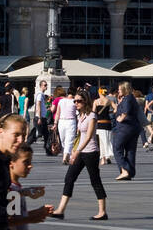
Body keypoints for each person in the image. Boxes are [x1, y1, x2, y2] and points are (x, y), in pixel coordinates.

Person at [46, 93, 108, 222]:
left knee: (95, 181)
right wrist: (73, 151)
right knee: (69, 178)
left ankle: (102, 212)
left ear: (85, 101)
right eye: (75, 101)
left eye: (78, 101)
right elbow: (79, 137)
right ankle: (60, 210)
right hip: (80, 152)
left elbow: (90, 135)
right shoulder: (80, 116)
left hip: (91, 152)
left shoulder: (92, 116)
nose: (76, 103)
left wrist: (76, 151)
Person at [7, 143, 49, 230]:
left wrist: (38, 212)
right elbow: (9, 221)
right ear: (11, 163)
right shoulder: (11, 189)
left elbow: (15, 216)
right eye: (26, 162)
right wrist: (31, 218)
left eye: (30, 162)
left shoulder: (16, 187)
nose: (30, 166)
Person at [111, 82, 141, 181]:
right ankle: (130, 172)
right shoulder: (130, 98)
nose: (118, 91)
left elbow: (126, 111)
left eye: (119, 89)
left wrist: (121, 118)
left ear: (124, 89)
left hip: (125, 128)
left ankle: (125, 170)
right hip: (134, 127)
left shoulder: (127, 99)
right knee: (130, 150)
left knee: (117, 148)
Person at [54, 85, 79, 165]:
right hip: (71, 121)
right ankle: (67, 156)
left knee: (63, 140)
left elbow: (57, 113)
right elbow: (77, 114)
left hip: (61, 122)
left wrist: (55, 123)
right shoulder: (75, 102)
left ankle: (65, 157)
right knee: (69, 140)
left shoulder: (61, 101)